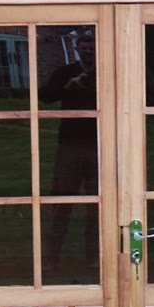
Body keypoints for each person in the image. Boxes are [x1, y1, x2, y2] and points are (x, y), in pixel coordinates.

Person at [38, 32, 99, 280]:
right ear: (77, 49)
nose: (88, 52)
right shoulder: (67, 72)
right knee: (61, 205)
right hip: (70, 147)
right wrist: (68, 87)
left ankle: (95, 258)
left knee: (98, 208)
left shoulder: (107, 73)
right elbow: (45, 95)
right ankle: (49, 260)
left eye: (92, 48)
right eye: (84, 48)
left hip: (100, 146)